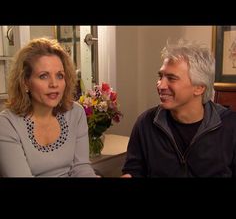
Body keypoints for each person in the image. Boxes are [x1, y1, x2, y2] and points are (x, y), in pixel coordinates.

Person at [122, 39, 236, 177]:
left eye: (171, 78)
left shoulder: (231, 126)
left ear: (199, 88)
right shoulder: (145, 123)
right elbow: (133, 171)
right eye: (160, 76)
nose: (160, 85)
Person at [0, 38, 97, 177]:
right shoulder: (7, 123)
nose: (54, 84)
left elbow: (81, 169)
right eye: (43, 76)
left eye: (59, 75)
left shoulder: (75, 113)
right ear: (25, 82)